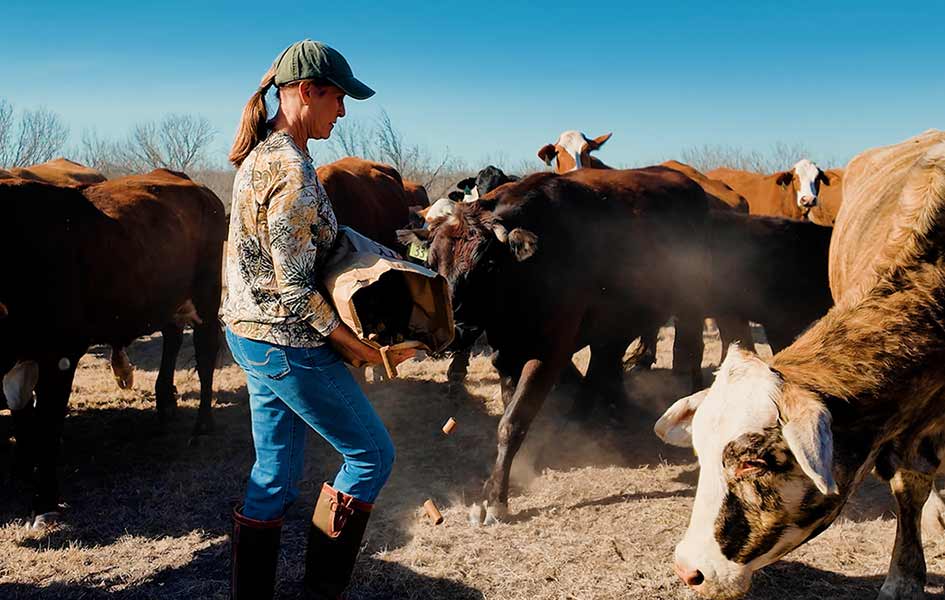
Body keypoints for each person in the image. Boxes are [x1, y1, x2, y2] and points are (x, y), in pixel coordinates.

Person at [223, 39, 415, 600]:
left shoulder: (264, 155)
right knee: (373, 455)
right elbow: (294, 287)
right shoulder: (291, 169)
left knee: (275, 475)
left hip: (250, 335)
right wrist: (359, 349)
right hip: (286, 342)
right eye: (337, 97)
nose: (344, 110)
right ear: (305, 92)